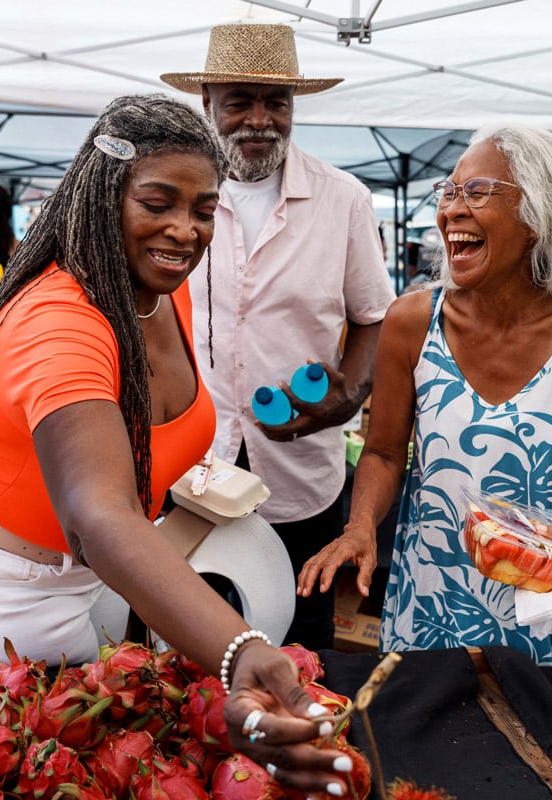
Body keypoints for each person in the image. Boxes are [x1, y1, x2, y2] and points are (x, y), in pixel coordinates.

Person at [0, 94, 354, 794]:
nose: (184, 230)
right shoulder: (59, 321)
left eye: (203, 210)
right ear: (104, 195)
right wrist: (240, 651)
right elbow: (99, 517)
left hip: (85, 576)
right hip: (3, 590)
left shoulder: (162, 288)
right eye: (158, 203)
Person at [298, 126, 552, 665]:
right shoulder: (411, 322)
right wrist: (360, 527)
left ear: (539, 214)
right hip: (435, 609)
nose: (452, 210)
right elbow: (383, 452)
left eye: (476, 192)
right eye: (448, 193)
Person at [161, 23, 396, 651]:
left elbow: (375, 316)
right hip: (191, 461)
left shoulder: (342, 199)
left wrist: (347, 398)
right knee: (191, 636)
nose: (259, 120)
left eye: (277, 103)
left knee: (302, 638)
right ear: (207, 102)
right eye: (240, 101)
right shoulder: (176, 199)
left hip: (302, 464)